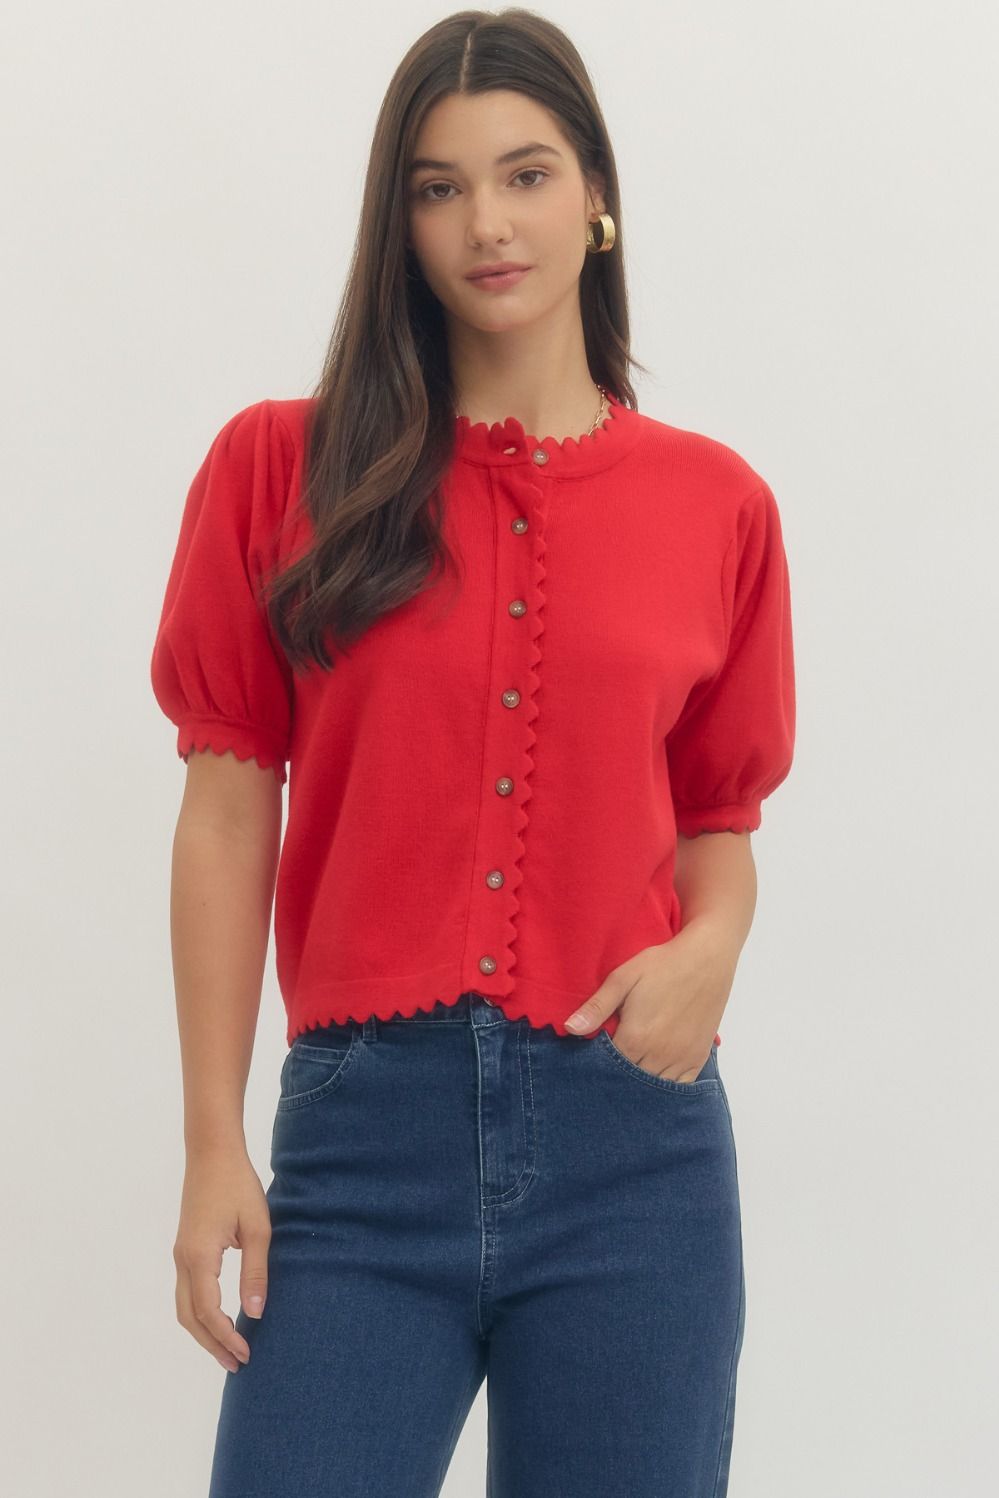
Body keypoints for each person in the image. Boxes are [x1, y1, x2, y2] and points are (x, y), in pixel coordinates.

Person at [150, 10, 795, 1496]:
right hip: (359, 1151)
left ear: (597, 195)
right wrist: (210, 1143)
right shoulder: (280, 468)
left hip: (634, 1148)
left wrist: (712, 950)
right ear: (399, 222)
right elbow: (227, 815)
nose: (487, 224)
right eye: (438, 188)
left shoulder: (720, 507)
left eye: (527, 174)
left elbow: (719, 814)